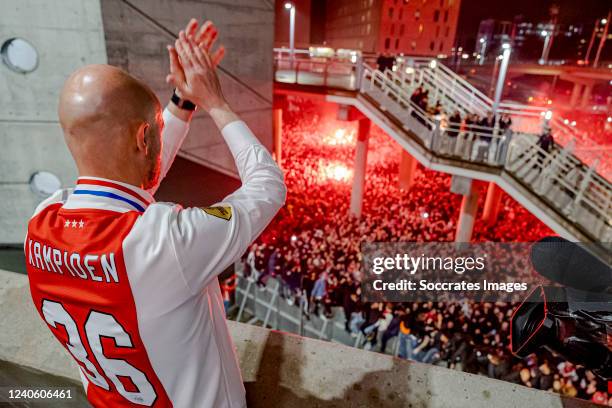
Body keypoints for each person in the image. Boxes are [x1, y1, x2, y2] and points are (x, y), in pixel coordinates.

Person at [24, 19, 286, 408]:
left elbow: (128, 192)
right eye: (157, 130)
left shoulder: (41, 222)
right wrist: (215, 101)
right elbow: (268, 185)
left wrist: (182, 103)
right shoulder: (168, 242)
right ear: (142, 137)